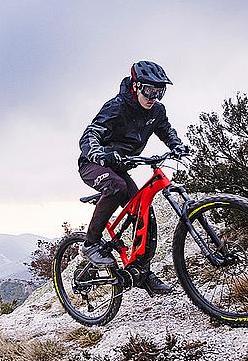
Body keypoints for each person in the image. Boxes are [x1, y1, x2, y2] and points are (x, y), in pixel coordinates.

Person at [78, 60, 188, 294]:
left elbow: (166, 130)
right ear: (136, 86)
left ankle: (142, 273)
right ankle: (90, 244)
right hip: (93, 164)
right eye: (149, 90)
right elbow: (89, 136)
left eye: (159, 92)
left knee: (143, 214)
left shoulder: (156, 111)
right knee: (116, 186)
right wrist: (101, 154)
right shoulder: (116, 107)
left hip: (120, 167)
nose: (153, 97)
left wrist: (176, 145)